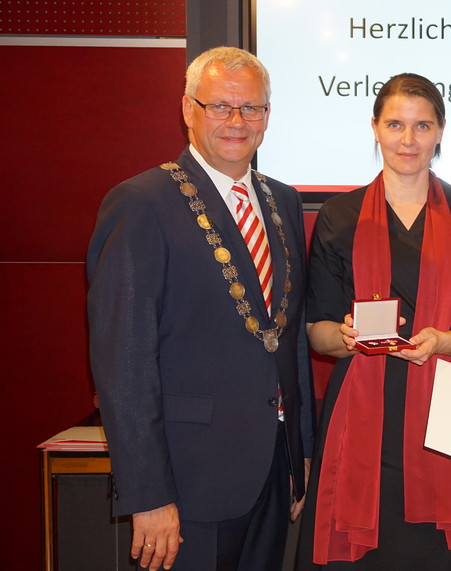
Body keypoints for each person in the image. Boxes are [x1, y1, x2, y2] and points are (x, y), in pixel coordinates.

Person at [88, 46, 313, 571]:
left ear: (267, 116)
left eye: (251, 108)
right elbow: (123, 363)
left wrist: (299, 452)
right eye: (220, 106)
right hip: (187, 482)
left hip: (271, 472)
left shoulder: (283, 201)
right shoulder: (142, 203)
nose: (237, 121)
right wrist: (147, 495)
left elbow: (290, 336)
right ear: (188, 109)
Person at [299, 73, 451, 569]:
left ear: (440, 132)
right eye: (395, 124)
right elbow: (317, 330)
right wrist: (344, 337)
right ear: (375, 127)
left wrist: (441, 341)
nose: (408, 139)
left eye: (422, 126)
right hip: (362, 409)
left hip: (448, 409)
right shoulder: (339, 214)